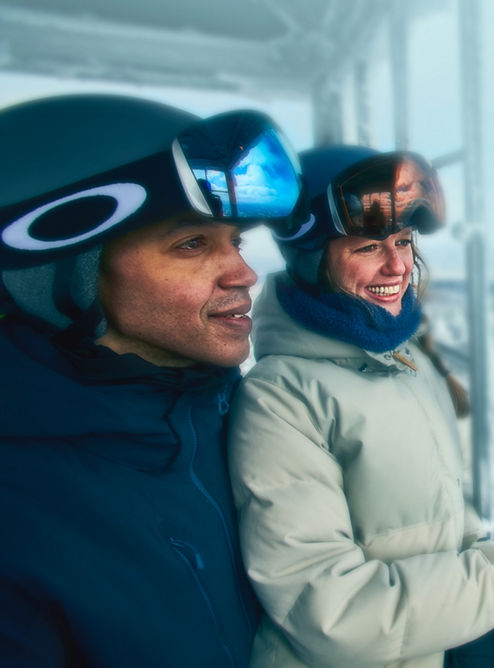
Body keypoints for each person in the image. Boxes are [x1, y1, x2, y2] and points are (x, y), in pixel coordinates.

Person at [228, 145, 494, 667]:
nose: (397, 264)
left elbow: (443, 515)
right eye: (369, 246)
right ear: (311, 258)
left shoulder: (404, 359)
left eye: (402, 241)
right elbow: (331, 611)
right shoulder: (280, 399)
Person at [0, 93, 306, 667]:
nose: (243, 273)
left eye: (235, 241)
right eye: (191, 244)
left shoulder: (231, 416)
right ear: (62, 276)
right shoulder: (19, 509)